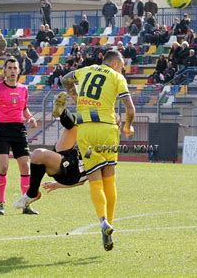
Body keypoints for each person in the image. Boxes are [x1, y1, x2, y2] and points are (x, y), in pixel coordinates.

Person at [61, 50, 136, 251]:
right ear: (115, 64)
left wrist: (76, 98)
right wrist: (128, 127)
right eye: (122, 67)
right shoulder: (116, 76)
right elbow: (130, 110)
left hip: (85, 129)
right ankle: (110, 223)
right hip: (107, 129)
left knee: (94, 180)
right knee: (109, 178)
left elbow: (65, 79)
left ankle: (102, 220)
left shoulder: (85, 70)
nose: (123, 70)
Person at [13, 94, 89, 211]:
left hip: (73, 173)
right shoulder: (98, 136)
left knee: (38, 154)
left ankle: (32, 193)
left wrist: (58, 185)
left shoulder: (104, 152)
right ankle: (62, 112)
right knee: (74, 126)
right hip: (70, 156)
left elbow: (83, 181)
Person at [0, 58, 39, 215]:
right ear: (4, 70)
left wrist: (30, 118)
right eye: (10, 68)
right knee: (4, 166)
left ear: (19, 70)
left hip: (19, 130)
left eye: (15, 68)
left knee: (25, 166)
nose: (13, 70)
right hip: (2, 131)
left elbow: (24, 108)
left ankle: (26, 204)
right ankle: (0, 203)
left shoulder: (24, 89)